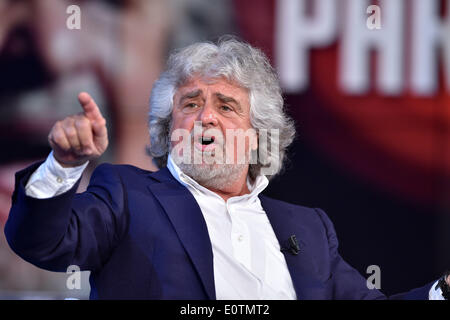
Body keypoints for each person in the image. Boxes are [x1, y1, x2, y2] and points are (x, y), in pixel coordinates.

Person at [4, 38, 449, 300]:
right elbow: (41, 241)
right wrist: (63, 166)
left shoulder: (308, 227)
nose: (206, 117)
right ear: (167, 127)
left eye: (226, 105)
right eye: (190, 104)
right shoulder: (126, 195)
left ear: (257, 134)